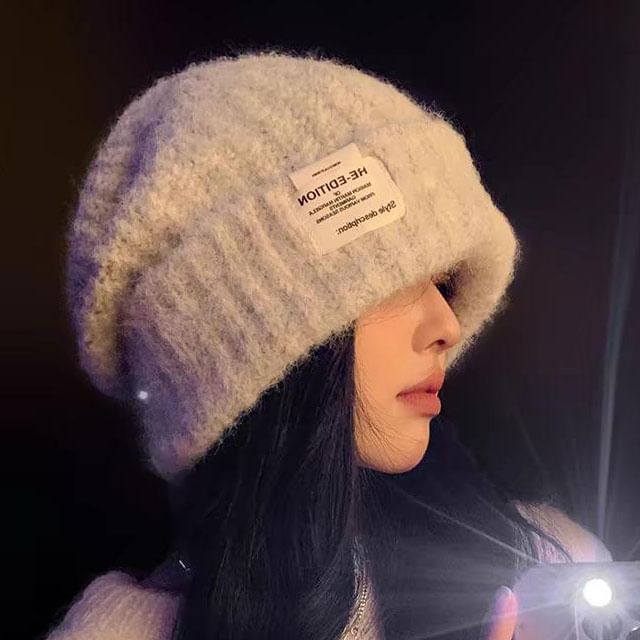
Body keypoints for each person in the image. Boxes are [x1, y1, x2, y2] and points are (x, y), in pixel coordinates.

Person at [43, 49, 611, 640]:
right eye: (389, 282)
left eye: (441, 281)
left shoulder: (552, 576)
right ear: (251, 348)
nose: (448, 323)